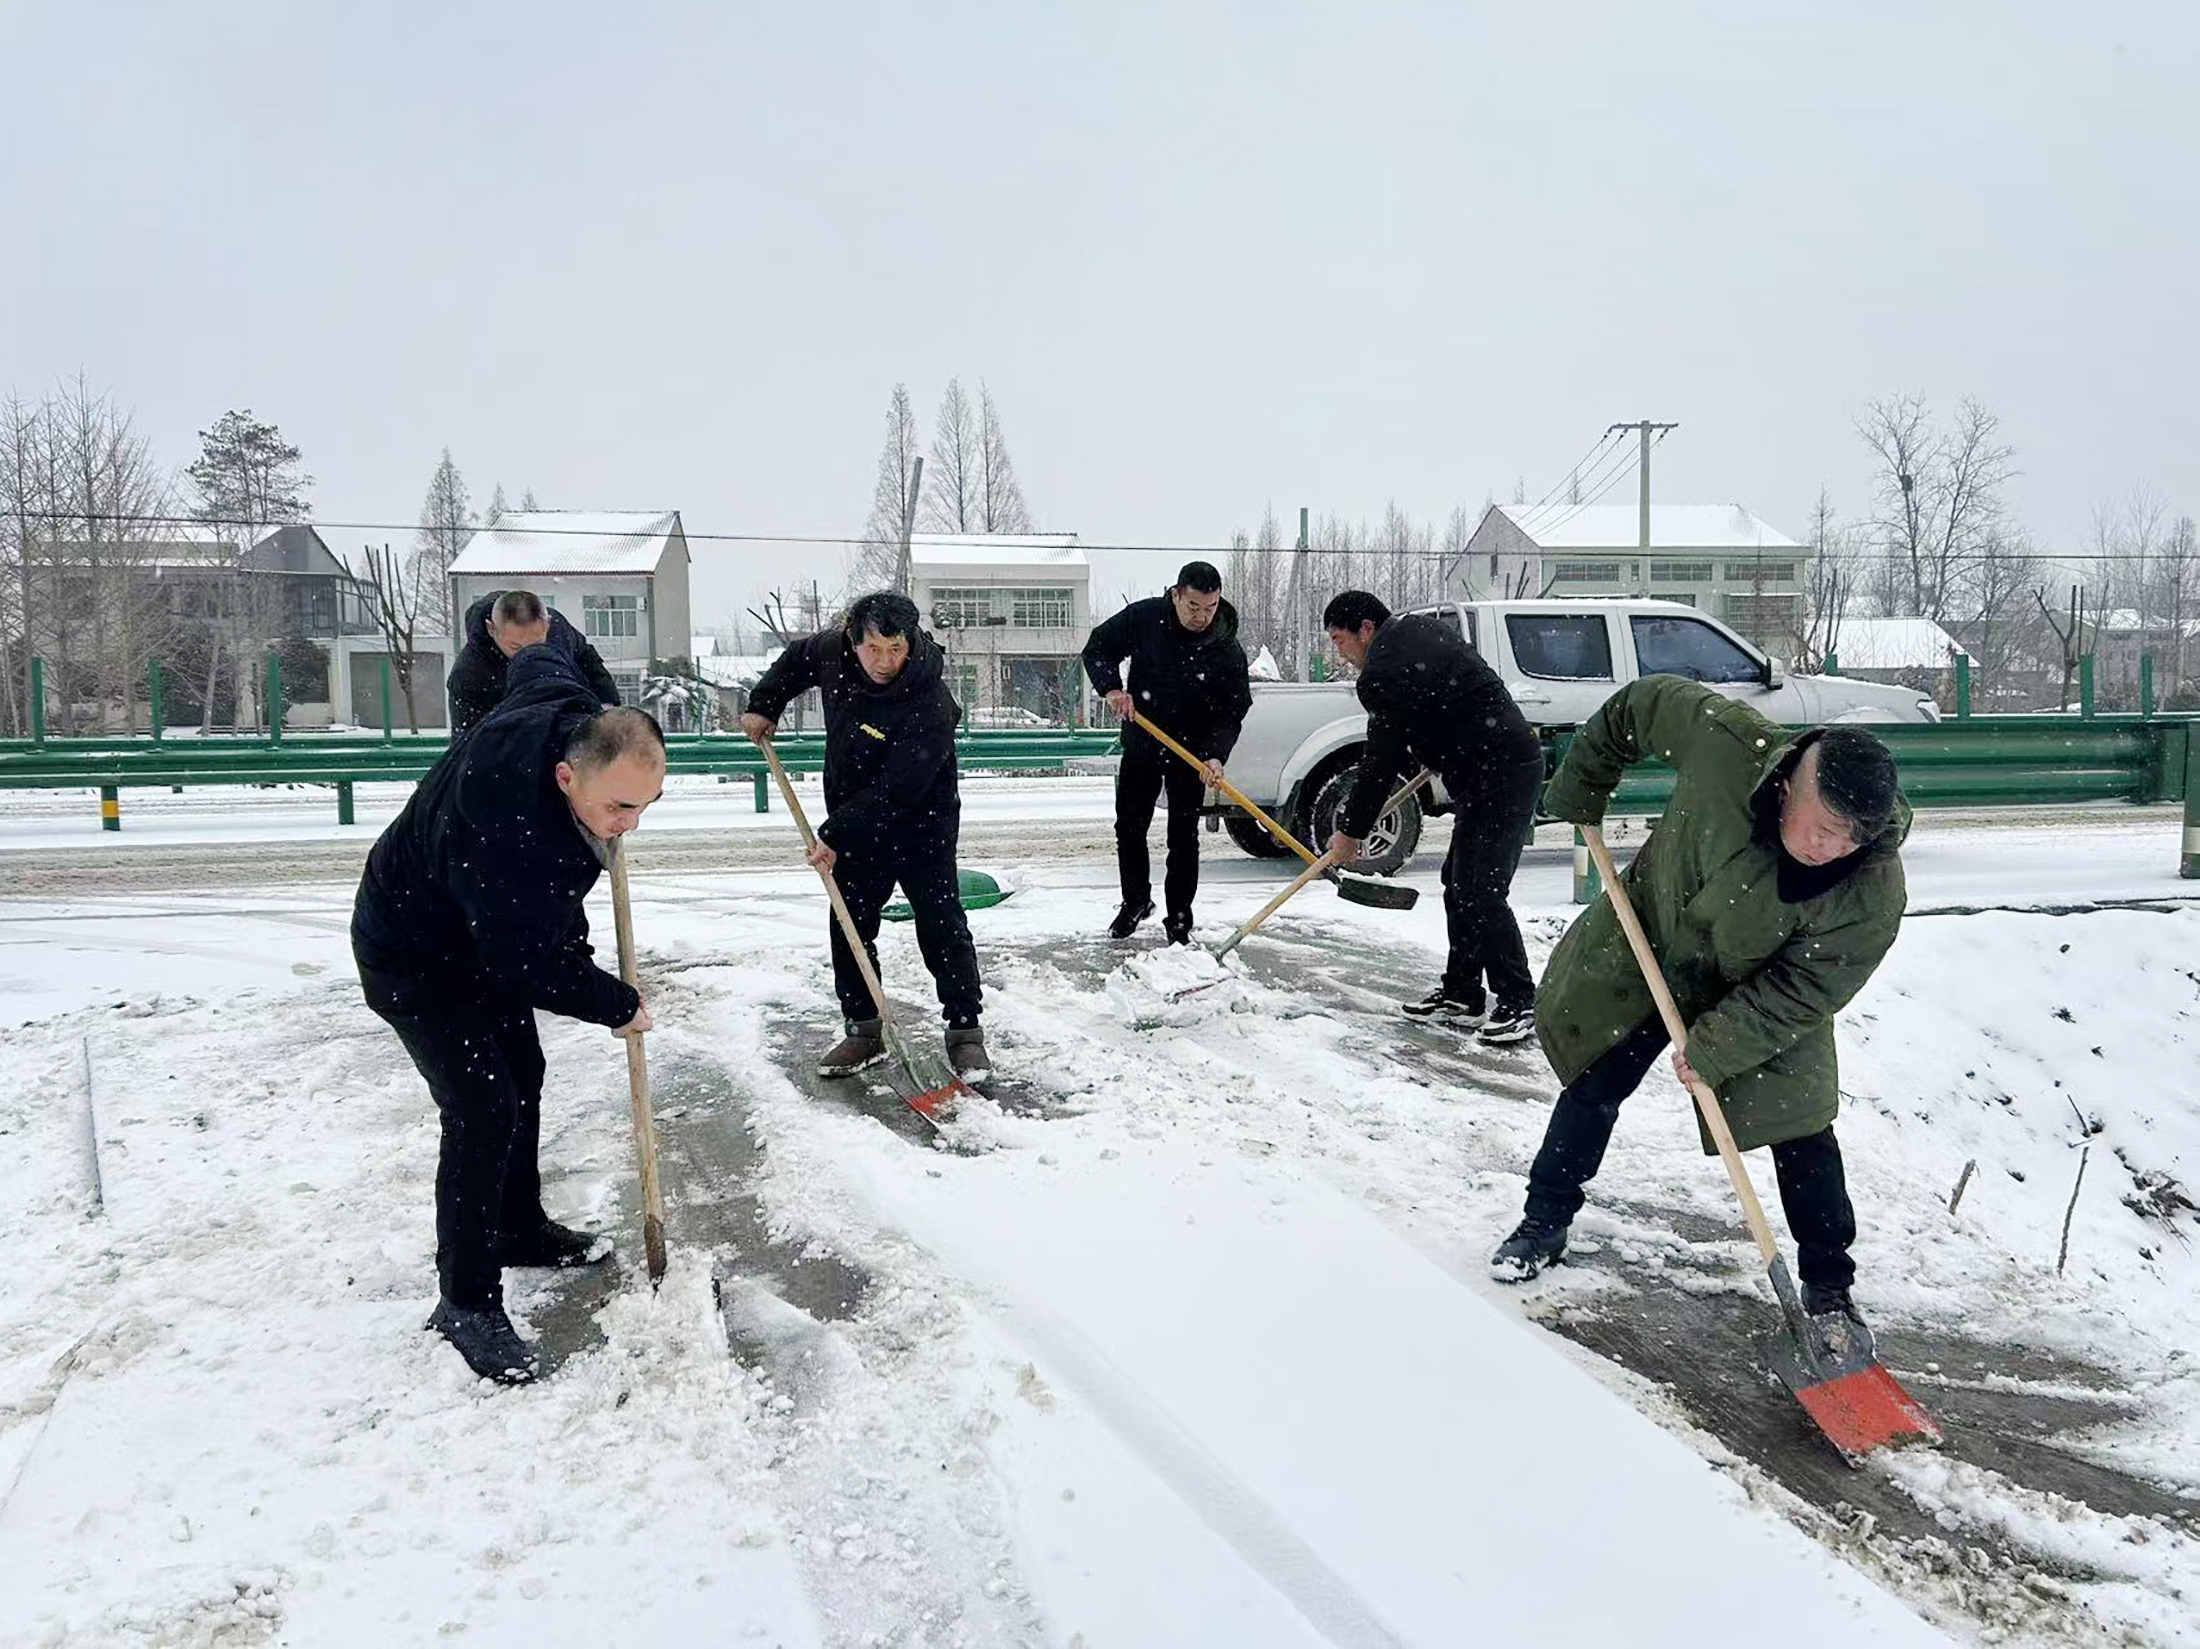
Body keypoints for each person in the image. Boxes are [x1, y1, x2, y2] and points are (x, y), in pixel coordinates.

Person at [1489, 675, 1906, 1342]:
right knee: (1594, 1082)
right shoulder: (1728, 744)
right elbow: (1640, 706)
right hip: (1652, 936)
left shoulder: (1872, 888)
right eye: (1824, 829)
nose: (1832, 850)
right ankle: (1544, 1221)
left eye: (1850, 839)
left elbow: (1805, 990)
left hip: (1757, 990)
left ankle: (1830, 1288)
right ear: (1791, 782)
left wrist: (1718, 1045)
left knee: (1802, 1125)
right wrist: (1584, 782)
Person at [353, 647, 664, 1385]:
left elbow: (543, 656)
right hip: (416, 954)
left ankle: (515, 1226)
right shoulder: (507, 827)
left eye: (646, 806)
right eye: (618, 808)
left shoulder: (563, 710)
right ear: (566, 776)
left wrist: (597, 690)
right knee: (483, 1107)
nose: (629, 827)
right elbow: (522, 961)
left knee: (524, 1069)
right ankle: (465, 1301)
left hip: (473, 932)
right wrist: (616, 1003)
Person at [742, 591, 989, 1080]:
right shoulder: (832, 653)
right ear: (853, 641)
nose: (885, 661)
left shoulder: (931, 701)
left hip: (923, 824)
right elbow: (797, 659)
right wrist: (765, 703)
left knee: (941, 924)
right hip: (855, 822)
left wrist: (832, 833)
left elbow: (900, 789)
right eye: (873, 648)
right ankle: (863, 1029)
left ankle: (965, 1032)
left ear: (910, 642)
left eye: (896, 648)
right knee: (849, 922)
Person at [1323, 591, 1545, 1045]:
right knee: (1459, 883)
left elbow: (1380, 762)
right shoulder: (1419, 630)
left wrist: (1350, 832)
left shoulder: (1384, 670)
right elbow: (1455, 691)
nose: (1339, 653)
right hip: (1492, 766)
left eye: (1339, 640)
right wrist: (1441, 738)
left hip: (1500, 773)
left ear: (1366, 629)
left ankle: (1520, 1000)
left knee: (1481, 889)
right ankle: (1462, 993)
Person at [1081, 561, 1253, 943]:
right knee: (1129, 826)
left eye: (1210, 608)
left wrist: (1215, 754)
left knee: (1183, 836)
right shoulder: (1145, 619)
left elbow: (1233, 709)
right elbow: (1098, 647)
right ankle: (1135, 901)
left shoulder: (1225, 645)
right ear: (1175, 595)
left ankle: (1179, 919)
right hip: (1143, 739)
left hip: (1190, 752)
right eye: (1193, 607)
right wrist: (1112, 689)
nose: (1201, 617)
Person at [447, 588, 621, 739]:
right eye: (516, 647)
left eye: (537, 644)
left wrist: (607, 704)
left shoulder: (559, 630)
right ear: (491, 629)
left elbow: (587, 658)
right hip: (514, 750)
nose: (528, 654)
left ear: (548, 623)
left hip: (576, 732)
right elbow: (468, 745)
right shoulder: (468, 675)